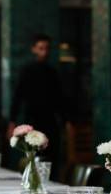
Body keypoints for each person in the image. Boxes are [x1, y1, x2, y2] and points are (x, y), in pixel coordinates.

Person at [8, 34, 69, 167]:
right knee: (32, 158)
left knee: (51, 160)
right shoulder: (26, 71)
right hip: (32, 122)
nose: (44, 52)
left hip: (50, 123)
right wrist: (12, 121)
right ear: (34, 49)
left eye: (47, 48)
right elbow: (17, 97)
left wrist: (65, 124)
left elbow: (60, 101)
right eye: (41, 48)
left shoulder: (53, 72)